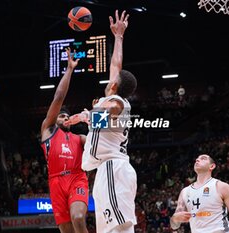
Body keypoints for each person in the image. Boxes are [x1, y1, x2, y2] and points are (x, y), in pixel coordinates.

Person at [64, 10, 137, 233]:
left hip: (114, 169)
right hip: (107, 171)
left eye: (113, 77)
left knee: (121, 230)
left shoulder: (118, 102)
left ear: (115, 85)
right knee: (110, 230)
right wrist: (118, 37)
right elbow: (116, 63)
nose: (111, 75)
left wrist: (94, 110)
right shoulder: (111, 97)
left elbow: (113, 108)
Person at [40, 47, 88, 233]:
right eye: (60, 116)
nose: (63, 118)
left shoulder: (80, 138)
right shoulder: (48, 131)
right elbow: (59, 97)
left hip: (77, 178)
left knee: (77, 217)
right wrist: (69, 69)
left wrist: (88, 117)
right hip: (56, 182)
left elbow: (98, 142)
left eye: (65, 116)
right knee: (67, 230)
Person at [170, 154, 229, 233]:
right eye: (197, 159)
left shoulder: (221, 187)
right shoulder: (185, 192)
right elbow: (174, 226)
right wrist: (174, 218)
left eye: (203, 158)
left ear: (212, 166)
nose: (197, 160)